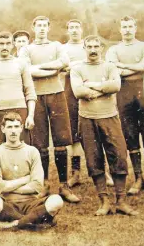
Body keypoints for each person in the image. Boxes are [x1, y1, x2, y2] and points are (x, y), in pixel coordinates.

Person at [71, 35, 139, 216]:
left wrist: (92, 86)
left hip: (110, 117)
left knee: (118, 156)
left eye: (96, 46)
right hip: (87, 119)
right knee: (94, 159)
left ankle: (121, 201)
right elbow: (78, 91)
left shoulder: (110, 66)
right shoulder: (77, 68)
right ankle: (104, 202)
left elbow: (115, 86)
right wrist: (103, 88)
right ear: (84, 48)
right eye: (89, 46)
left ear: (101, 48)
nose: (93, 50)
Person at [18, 16, 79, 203]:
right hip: (36, 97)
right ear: (33, 27)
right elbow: (26, 71)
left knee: (61, 140)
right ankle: (43, 184)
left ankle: (63, 185)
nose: (42, 29)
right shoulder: (26, 49)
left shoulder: (57, 46)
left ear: (49, 28)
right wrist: (52, 69)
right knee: (40, 143)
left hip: (57, 94)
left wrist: (40, 68)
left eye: (45, 26)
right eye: (39, 26)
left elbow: (65, 62)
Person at [105, 16, 144, 195]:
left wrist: (124, 67)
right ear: (120, 29)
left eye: (130, 26)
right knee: (130, 135)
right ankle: (138, 178)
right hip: (123, 94)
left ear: (136, 28)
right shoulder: (113, 49)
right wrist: (137, 67)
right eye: (124, 27)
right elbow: (112, 69)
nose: (127, 30)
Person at [0, 112, 64, 232]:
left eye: (16, 127)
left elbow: (37, 185)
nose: (13, 131)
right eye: (9, 127)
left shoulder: (32, 151)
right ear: (3, 129)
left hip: (32, 203)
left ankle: (13, 225)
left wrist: (8, 186)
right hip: (8, 203)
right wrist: (25, 179)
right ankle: (33, 222)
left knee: (56, 201)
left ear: (21, 128)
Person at [0, 31, 36, 160]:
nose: (4, 47)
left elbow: (30, 92)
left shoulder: (21, 63)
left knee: (21, 147)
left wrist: (30, 115)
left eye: (8, 43)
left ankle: (22, 177)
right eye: (1, 44)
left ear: (13, 45)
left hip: (19, 109)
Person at [61, 19, 87, 188]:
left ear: (81, 29)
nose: (75, 30)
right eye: (71, 28)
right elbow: (62, 68)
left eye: (77, 27)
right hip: (69, 91)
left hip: (88, 88)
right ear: (67, 30)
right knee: (73, 133)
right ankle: (75, 172)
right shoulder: (63, 49)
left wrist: (74, 65)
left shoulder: (89, 45)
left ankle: (101, 170)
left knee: (94, 130)